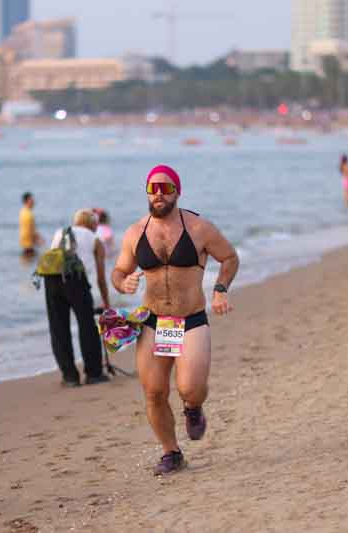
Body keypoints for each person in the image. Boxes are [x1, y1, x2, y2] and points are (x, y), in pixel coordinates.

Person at [112, 164, 239, 476]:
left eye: (166, 188)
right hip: (155, 322)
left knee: (190, 388)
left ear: (177, 192)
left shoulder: (199, 228)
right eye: (153, 188)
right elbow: (118, 271)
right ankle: (171, 453)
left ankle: (193, 408)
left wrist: (220, 289)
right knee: (154, 392)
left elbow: (230, 257)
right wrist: (122, 283)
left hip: (190, 319)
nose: (159, 194)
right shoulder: (134, 232)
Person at [45, 209, 111, 387]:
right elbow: (100, 278)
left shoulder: (61, 232)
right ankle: (93, 373)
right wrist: (106, 302)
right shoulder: (94, 238)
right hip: (76, 280)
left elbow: (53, 260)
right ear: (92, 224)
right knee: (86, 324)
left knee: (58, 327)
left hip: (51, 279)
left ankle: (70, 377)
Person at [19, 192, 43, 258]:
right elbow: (30, 229)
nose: (33, 202)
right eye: (31, 200)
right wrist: (38, 239)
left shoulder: (22, 211)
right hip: (28, 243)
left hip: (25, 242)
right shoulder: (28, 214)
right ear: (27, 201)